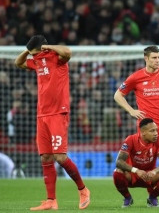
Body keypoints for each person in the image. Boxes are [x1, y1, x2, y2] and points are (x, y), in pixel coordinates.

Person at [15, 35, 90, 211]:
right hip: (42, 114)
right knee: (46, 157)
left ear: (43, 49)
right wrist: (28, 50)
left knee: (60, 157)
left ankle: (83, 190)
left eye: (35, 53)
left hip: (58, 112)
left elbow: (68, 52)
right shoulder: (37, 61)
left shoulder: (58, 59)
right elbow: (18, 63)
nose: (32, 57)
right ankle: (51, 200)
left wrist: (47, 48)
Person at [114, 45, 159, 207]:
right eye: (154, 58)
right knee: (147, 163)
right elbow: (118, 95)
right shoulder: (136, 77)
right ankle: (151, 197)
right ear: (146, 58)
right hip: (146, 130)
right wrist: (131, 110)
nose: (158, 60)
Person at [113, 118, 159, 208]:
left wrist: (154, 171)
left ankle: (152, 198)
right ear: (143, 132)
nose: (156, 133)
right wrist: (136, 170)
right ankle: (127, 198)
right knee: (117, 172)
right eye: (152, 131)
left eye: (156, 130)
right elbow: (119, 161)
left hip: (150, 176)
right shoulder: (131, 139)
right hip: (133, 175)